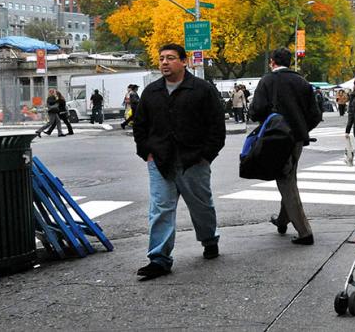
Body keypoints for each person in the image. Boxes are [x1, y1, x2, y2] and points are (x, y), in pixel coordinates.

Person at [132, 43, 226, 280]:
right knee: (161, 208)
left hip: (193, 161)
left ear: (183, 62)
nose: (164, 62)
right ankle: (159, 258)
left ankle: (209, 239)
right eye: (161, 58)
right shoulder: (151, 92)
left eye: (171, 58)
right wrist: (147, 152)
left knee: (201, 205)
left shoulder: (202, 89)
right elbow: (140, 126)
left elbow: (217, 127)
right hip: (160, 161)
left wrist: (206, 156)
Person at [249, 48, 323, 245]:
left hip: (275, 137)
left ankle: (304, 231)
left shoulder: (267, 81)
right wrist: (301, 129)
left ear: (272, 61)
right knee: (287, 175)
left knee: (286, 180)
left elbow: (256, 110)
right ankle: (283, 220)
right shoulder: (302, 82)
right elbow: (315, 114)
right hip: (296, 138)